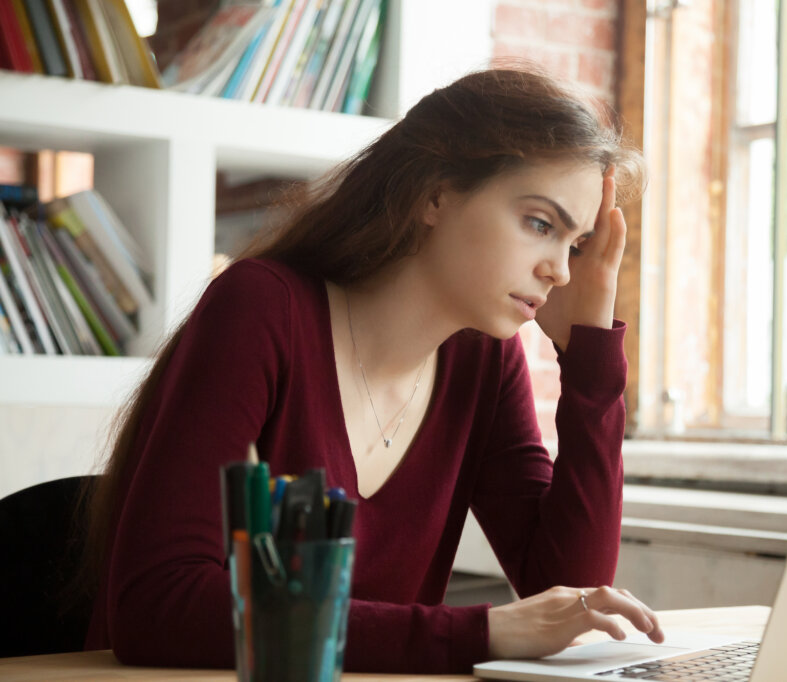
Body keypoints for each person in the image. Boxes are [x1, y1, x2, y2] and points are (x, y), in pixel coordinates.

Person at [81, 65, 665, 673]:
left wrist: (591, 353)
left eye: (572, 245)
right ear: (435, 194)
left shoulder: (486, 363)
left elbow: (569, 594)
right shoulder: (261, 309)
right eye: (540, 224)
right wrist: (479, 634)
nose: (561, 271)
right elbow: (157, 607)